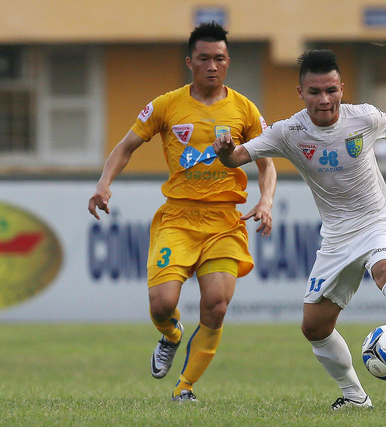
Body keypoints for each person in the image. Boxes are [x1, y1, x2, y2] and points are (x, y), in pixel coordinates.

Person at [213, 49, 386, 410]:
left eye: (330, 90)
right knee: (314, 327)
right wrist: (225, 150)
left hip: (377, 219)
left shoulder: (363, 118)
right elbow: (237, 158)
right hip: (337, 236)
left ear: (342, 87)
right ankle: (356, 398)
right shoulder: (288, 131)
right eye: (314, 92)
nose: (324, 100)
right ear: (300, 93)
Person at [88, 22, 276, 403]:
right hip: (179, 217)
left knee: (217, 305)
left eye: (219, 59)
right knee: (162, 303)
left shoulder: (245, 109)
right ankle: (171, 334)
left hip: (225, 220)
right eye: (204, 59)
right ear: (189, 62)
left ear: (228, 62)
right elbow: (125, 147)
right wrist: (104, 184)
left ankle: (184, 387)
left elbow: (266, 163)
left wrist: (266, 200)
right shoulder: (166, 105)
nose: (212, 66)